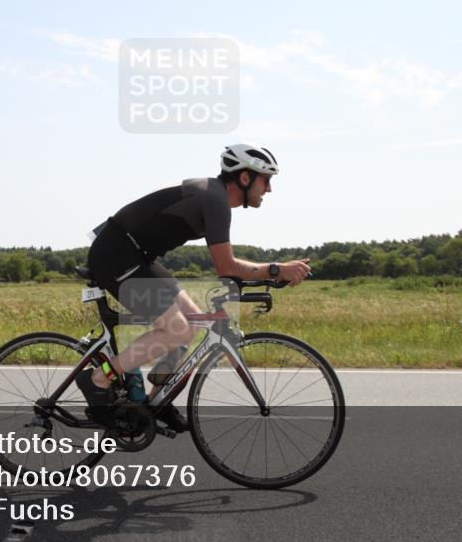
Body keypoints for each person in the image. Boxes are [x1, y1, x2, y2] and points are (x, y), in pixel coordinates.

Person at [77, 144, 311, 431]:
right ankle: (98, 379)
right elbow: (225, 266)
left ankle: (155, 400)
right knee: (178, 329)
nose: (269, 189)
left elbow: (229, 268)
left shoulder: (215, 197)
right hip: (116, 254)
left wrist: (268, 276)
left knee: (194, 320)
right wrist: (276, 270)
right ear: (245, 178)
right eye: (266, 180)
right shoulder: (215, 201)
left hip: (137, 255)